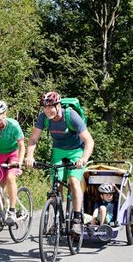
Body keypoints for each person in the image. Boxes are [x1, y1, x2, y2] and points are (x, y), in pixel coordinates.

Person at [24, 91, 94, 235]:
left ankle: (76, 219)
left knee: (74, 181)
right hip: (58, 150)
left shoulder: (71, 116)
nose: (48, 110)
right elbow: (33, 139)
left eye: (51, 106)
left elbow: (89, 141)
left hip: (76, 151)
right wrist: (29, 156)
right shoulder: (43, 118)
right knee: (56, 186)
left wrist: (84, 159)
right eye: (45, 107)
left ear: (58, 105)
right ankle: (57, 220)